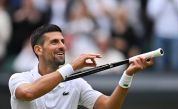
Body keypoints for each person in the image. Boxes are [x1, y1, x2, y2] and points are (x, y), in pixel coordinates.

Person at [9, 24, 154, 109]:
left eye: (62, 41)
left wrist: (128, 75)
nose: (62, 46)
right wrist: (72, 66)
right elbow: (28, 93)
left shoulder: (75, 83)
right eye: (54, 42)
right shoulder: (19, 78)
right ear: (38, 50)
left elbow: (109, 106)